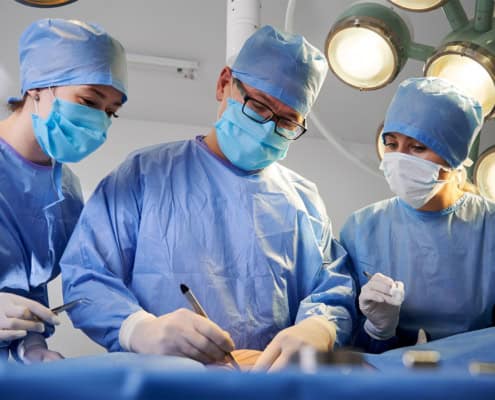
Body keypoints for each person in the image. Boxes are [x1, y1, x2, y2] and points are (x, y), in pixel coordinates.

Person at [61, 25, 355, 371]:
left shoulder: (303, 201)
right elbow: (86, 275)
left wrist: (318, 327)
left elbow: (332, 287)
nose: (267, 128)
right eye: (259, 107)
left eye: (287, 122)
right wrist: (139, 328)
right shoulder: (144, 175)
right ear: (223, 84)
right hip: (163, 387)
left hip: (267, 388)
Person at [0, 18, 127, 363]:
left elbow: (28, 289)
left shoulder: (67, 191)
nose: (99, 121)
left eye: (111, 113)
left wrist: (32, 347)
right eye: (88, 101)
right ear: (37, 87)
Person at [339, 77, 490, 353]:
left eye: (418, 147)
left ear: (454, 157)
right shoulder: (361, 228)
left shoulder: (489, 229)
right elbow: (345, 342)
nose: (398, 158)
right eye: (391, 143)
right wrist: (378, 330)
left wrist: (453, 356)